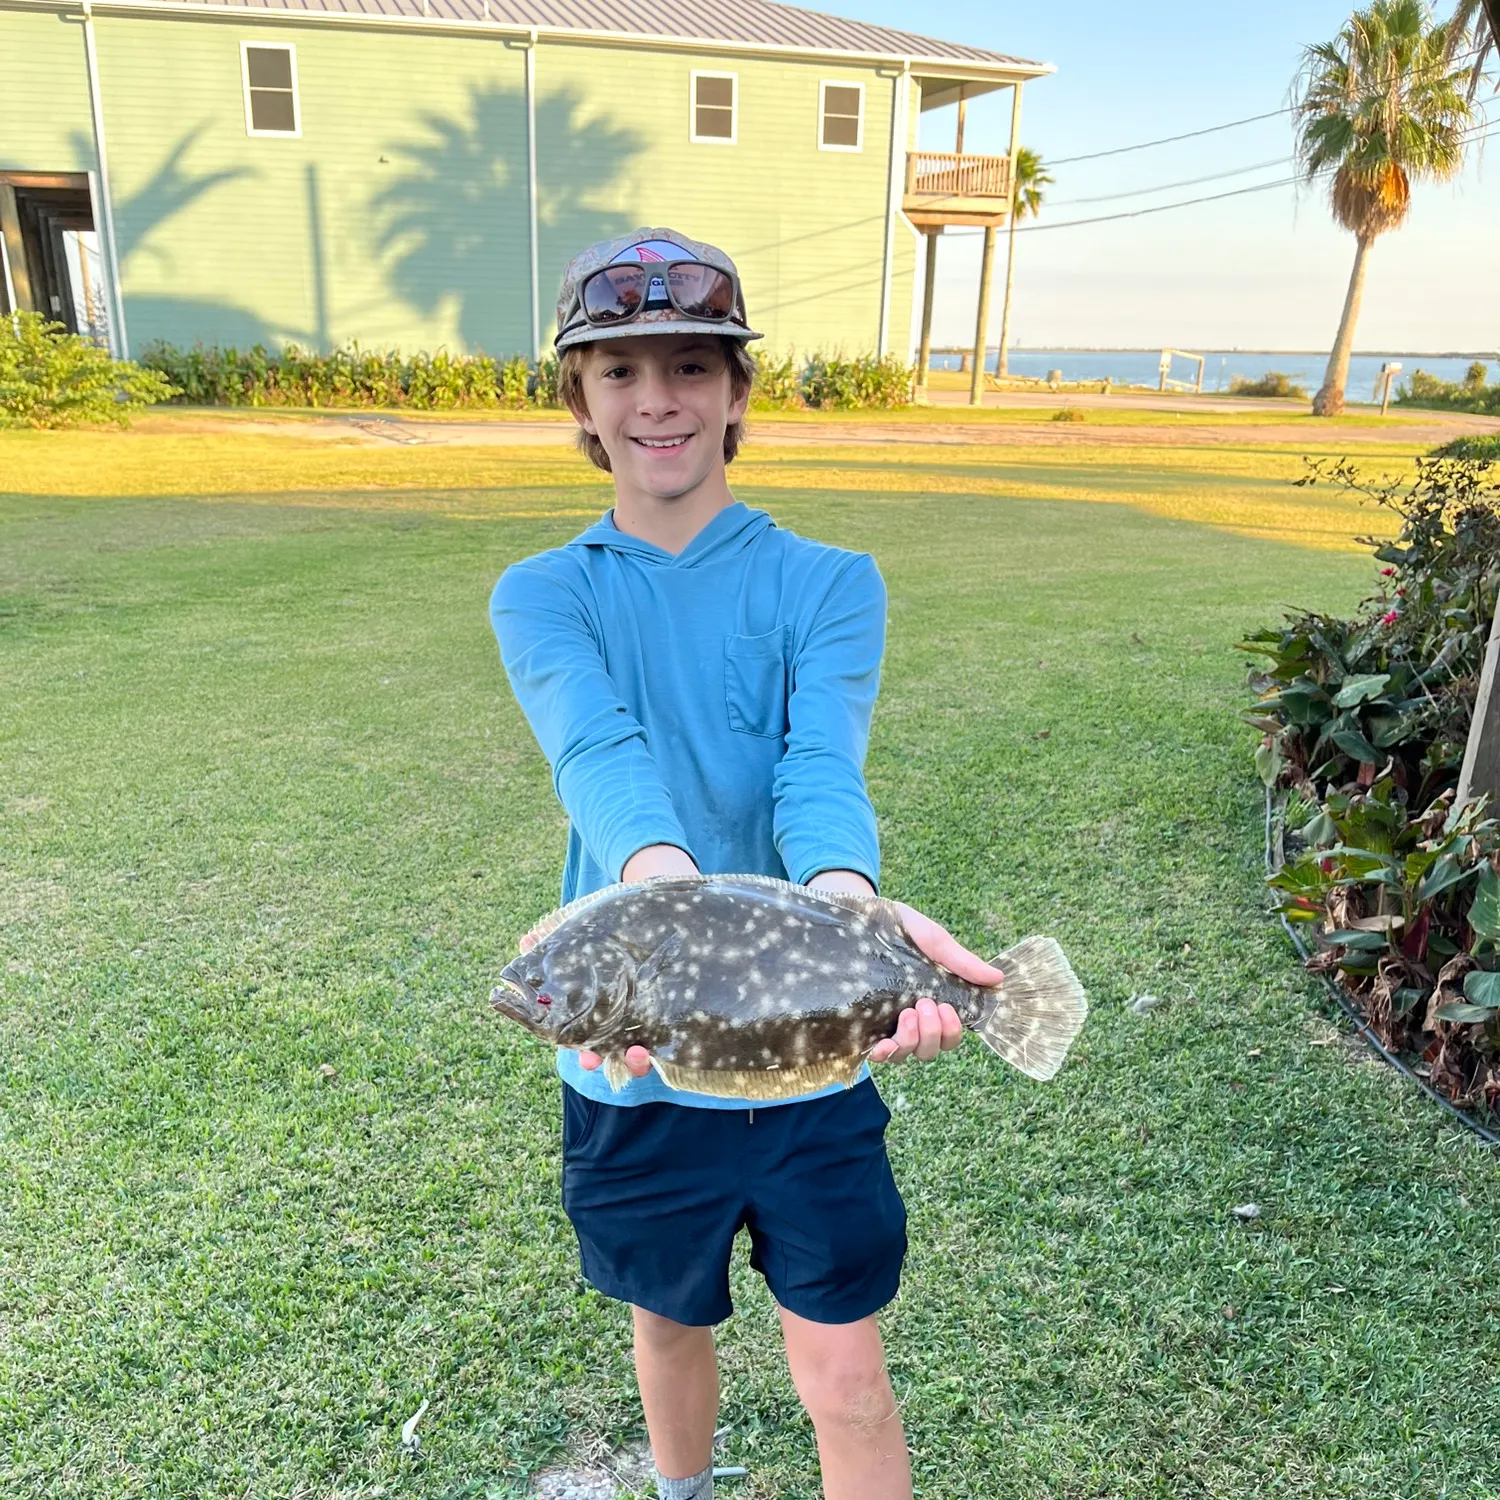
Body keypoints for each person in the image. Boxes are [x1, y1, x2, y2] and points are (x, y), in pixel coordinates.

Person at [489, 227, 1004, 1500]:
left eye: (689, 367)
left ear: (736, 393)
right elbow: (598, 750)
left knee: (845, 1376)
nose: (657, 399)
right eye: (619, 372)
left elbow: (817, 765)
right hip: (636, 1064)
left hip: (807, 1041)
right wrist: (667, 895)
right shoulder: (542, 591)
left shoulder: (832, 581)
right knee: (667, 1322)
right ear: (581, 404)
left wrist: (850, 904)